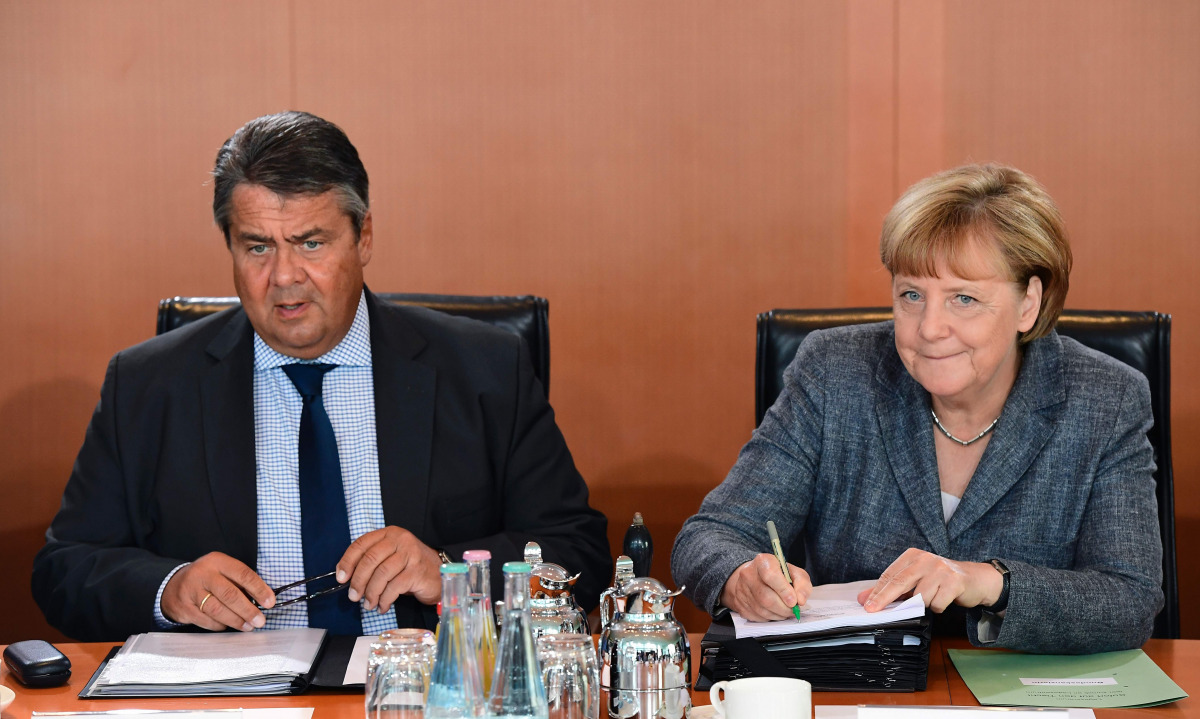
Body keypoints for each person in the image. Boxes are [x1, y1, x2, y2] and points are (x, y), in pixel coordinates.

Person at [32, 111, 611, 642]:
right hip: (238, 702)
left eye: (311, 243)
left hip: (424, 685)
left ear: (363, 238)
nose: (284, 277)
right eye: (257, 247)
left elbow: (579, 555)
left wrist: (452, 572)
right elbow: (64, 570)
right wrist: (170, 588)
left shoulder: (485, 369)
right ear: (229, 246)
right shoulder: (149, 384)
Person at [672, 164, 1162, 654]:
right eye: (911, 295)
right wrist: (740, 577)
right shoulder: (835, 373)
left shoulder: (1105, 398)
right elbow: (710, 537)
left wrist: (990, 582)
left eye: (964, 299)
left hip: (1024, 695)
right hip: (860, 685)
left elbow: (1129, 598)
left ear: (1028, 303)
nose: (929, 328)